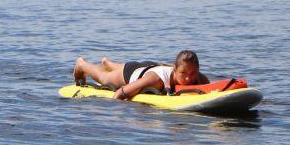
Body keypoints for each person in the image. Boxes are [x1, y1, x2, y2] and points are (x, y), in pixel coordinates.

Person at [72, 50, 211, 100]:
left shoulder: (199, 77)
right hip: (131, 73)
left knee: (112, 69)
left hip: (152, 66)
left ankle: (107, 62)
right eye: (183, 73)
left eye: (193, 73)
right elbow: (120, 93)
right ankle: (82, 64)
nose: (188, 78)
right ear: (175, 69)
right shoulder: (155, 80)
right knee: (104, 78)